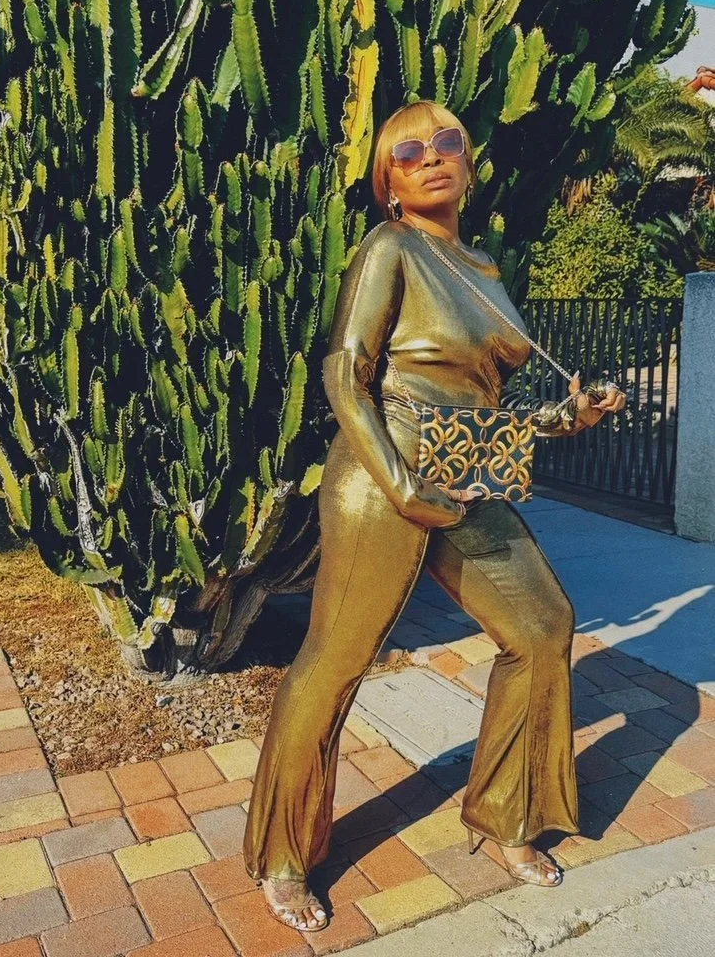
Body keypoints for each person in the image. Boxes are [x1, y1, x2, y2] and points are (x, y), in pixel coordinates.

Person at [241, 100, 627, 932]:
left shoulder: (483, 267)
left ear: (468, 159)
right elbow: (345, 370)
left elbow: (491, 401)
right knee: (335, 659)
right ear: (389, 182)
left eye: (446, 143)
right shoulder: (391, 247)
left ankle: (506, 817)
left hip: (468, 470)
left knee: (543, 625)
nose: (430, 159)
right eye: (407, 152)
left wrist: (570, 417)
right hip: (384, 465)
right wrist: (398, 482)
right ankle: (282, 854)